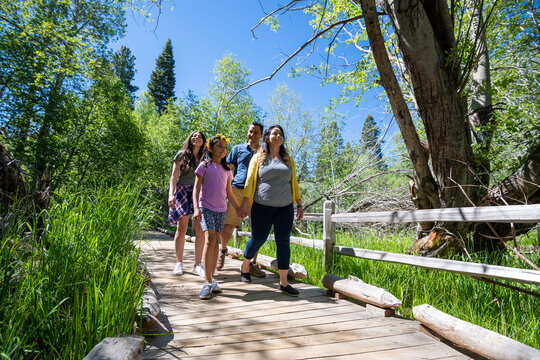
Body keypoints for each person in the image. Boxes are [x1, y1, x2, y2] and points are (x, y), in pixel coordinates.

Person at [239, 125, 304, 297]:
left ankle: (283, 283)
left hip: (285, 207)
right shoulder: (258, 156)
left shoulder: (287, 158)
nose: (278, 136)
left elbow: (294, 182)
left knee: (283, 241)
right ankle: (245, 265)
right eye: (275, 133)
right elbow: (249, 182)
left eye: (281, 134)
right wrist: (245, 204)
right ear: (267, 137)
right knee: (258, 238)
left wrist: (298, 203)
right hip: (262, 206)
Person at [193, 134, 243, 300]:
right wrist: (196, 209)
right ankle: (206, 282)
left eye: (225, 147)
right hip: (205, 207)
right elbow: (196, 189)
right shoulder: (204, 166)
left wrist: (238, 208)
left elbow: (229, 192)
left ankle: (212, 278)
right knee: (210, 239)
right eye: (219, 146)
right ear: (211, 148)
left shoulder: (226, 170)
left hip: (221, 210)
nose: (223, 150)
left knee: (215, 243)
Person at [216, 121, 266, 278]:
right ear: (247, 132)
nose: (253, 135)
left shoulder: (265, 152)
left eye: (256, 132)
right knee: (229, 225)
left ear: (261, 135)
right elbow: (227, 169)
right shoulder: (237, 149)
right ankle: (223, 251)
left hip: (257, 194)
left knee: (258, 230)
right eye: (251, 131)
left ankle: (251, 263)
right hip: (237, 190)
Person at [168, 131, 206, 277]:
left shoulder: (205, 157)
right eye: (194, 136)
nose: (197, 138)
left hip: (200, 193)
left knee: (200, 228)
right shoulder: (181, 154)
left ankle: (198, 264)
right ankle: (179, 263)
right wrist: (171, 194)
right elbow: (174, 176)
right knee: (182, 227)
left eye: (200, 137)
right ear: (190, 138)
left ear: (203, 141)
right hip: (182, 191)